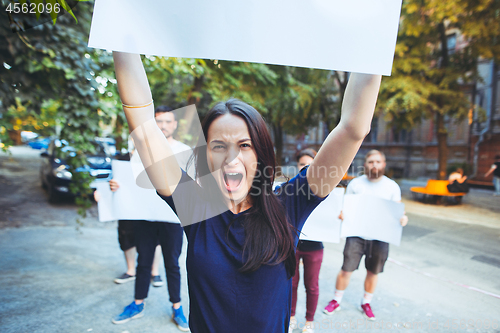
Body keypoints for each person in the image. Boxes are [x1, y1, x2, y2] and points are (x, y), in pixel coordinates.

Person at [113, 51, 382, 333]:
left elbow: (353, 128)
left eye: (244, 145)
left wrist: (373, 44)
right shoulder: (195, 204)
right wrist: (121, 36)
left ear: (261, 153)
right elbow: (143, 129)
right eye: (218, 146)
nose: (231, 158)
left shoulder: (289, 203)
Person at [111, 106, 190, 332]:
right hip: (143, 217)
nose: (163, 126)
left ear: (174, 125)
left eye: (167, 122)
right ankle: (137, 304)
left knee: (172, 264)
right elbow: (127, 181)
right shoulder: (140, 151)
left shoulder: (184, 151)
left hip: (172, 218)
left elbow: (195, 184)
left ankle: (177, 308)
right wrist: (116, 185)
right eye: (159, 122)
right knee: (143, 261)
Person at [323, 150, 408, 321]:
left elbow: (398, 210)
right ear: (365, 165)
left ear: (383, 164)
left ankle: (366, 302)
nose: (374, 165)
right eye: (371, 162)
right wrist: (342, 214)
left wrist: (403, 218)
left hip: (381, 236)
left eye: (377, 161)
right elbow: (345, 208)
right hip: (356, 235)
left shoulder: (392, 186)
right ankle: (336, 300)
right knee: (346, 269)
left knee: (373, 271)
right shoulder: (356, 184)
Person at [289, 149, 324, 333]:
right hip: (292, 245)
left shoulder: (326, 190)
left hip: (315, 246)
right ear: (297, 166)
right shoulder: (289, 190)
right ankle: (292, 317)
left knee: (311, 285)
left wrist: (341, 217)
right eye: (302, 164)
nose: (306, 167)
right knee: (291, 283)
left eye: (310, 164)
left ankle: (309, 320)